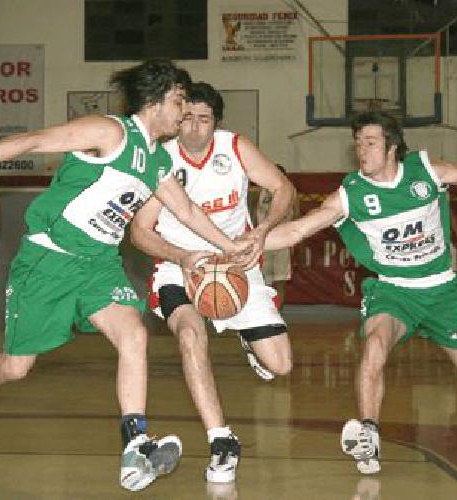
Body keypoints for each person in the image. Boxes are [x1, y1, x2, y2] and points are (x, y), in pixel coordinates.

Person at [0, 59, 256, 492]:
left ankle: (135, 444)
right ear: (156, 100)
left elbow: (188, 211)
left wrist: (230, 246)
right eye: (179, 101)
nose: (183, 111)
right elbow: (35, 140)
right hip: (49, 260)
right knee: (17, 367)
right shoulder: (111, 133)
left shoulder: (157, 160)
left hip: (98, 264)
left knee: (134, 335)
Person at [262, 110, 457, 475]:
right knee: (375, 344)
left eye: (370, 142)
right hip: (394, 291)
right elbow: (295, 232)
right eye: (358, 143)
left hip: (443, 290)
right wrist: (240, 244)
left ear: (392, 147)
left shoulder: (425, 170)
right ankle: (369, 437)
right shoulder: (352, 193)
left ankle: (434, 332)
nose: (361, 150)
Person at [128, 81, 296, 484]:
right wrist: (181, 257)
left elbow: (282, 188)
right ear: (177, 119)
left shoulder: (236, 148)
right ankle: (221, 441)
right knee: (190, 335)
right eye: (186, 118)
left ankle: (246, 338)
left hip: (236, 264)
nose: (194, 128)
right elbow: (139, 232)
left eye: (204, 119)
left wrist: (264, 228)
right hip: (178, 267)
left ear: (216, 123)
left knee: (282, 365)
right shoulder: (161, 158)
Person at [256, 163, 299, 308]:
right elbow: (251, 213)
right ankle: (262, 312)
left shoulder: (291, 192)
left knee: (280, 280)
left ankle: (277, 312)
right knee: (262, 280)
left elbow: (296, 216)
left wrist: (294, 242)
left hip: (283, 241)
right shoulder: (257, 191)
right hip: (264, 241)